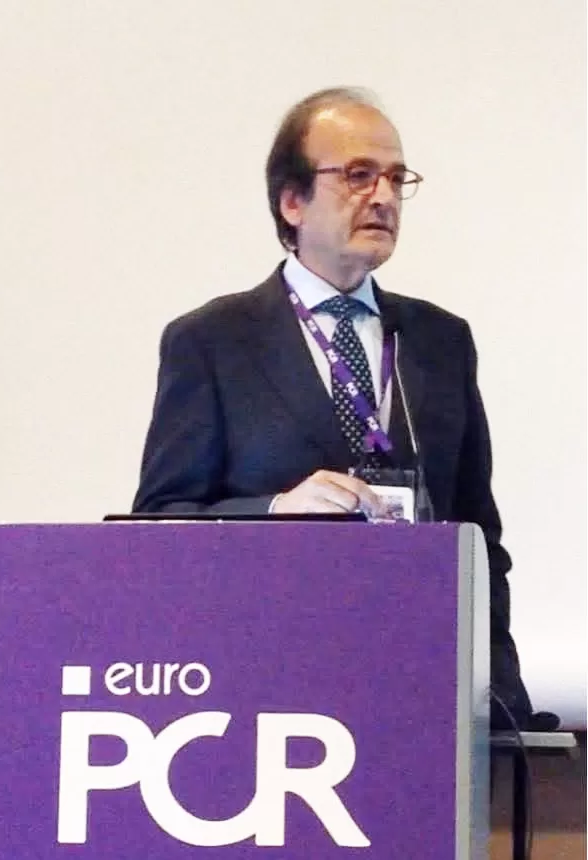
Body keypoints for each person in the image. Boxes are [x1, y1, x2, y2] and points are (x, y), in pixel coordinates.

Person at [132, 87, 557, 731]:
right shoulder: (214, 341)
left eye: (396, 178)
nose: (383, 196)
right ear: (292, 200)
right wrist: (275, 511)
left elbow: (479, 540)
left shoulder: (440, 341)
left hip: (416, 694)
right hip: (267, 696)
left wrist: (498, 699)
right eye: (358, 175)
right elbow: (158, 527)